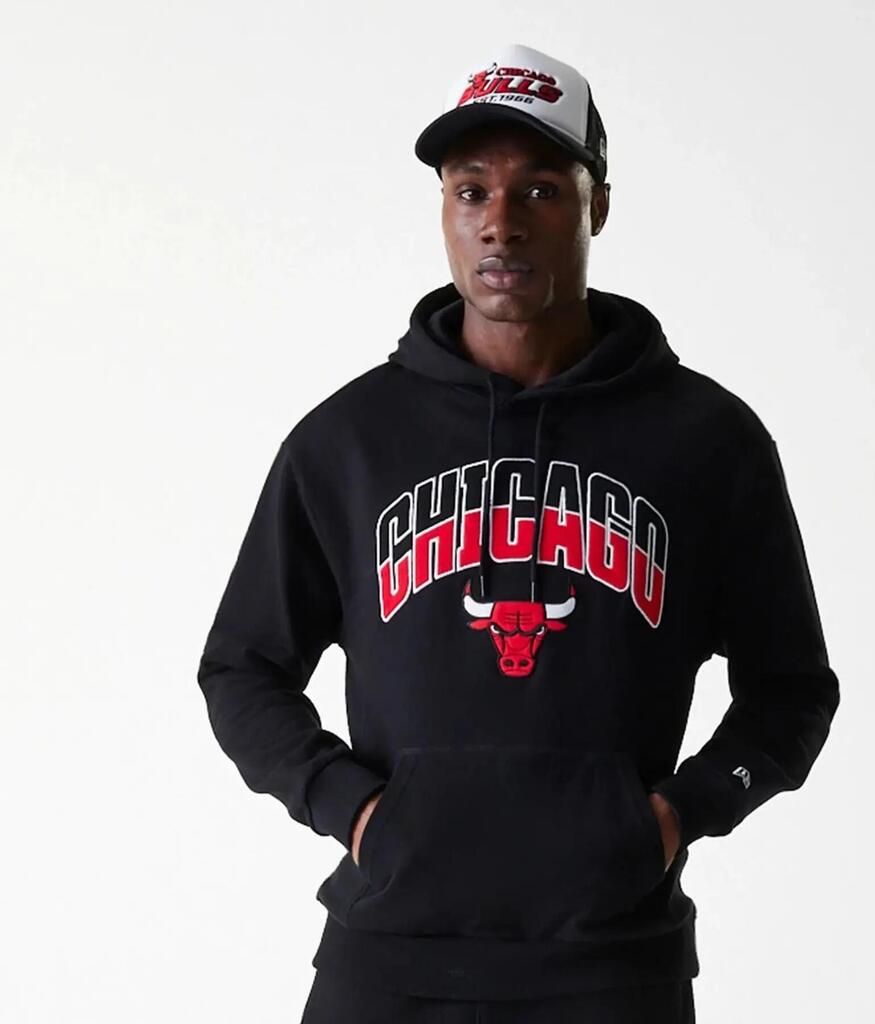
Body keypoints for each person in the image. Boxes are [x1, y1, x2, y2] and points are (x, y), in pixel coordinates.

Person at [196, 42, 841, 1024]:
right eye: (471, 191)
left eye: (540, 189)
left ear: (597, 206)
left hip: (613, 966)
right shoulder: (349, 439)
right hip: (390, 959)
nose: (500, 222)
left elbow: (791, 691)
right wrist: (351, 810)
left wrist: (679, 815)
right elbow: (242, 668)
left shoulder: (708, 441)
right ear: (444, 210)